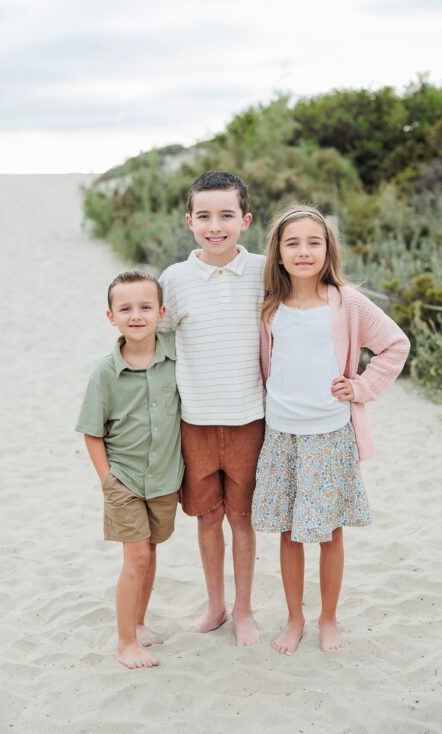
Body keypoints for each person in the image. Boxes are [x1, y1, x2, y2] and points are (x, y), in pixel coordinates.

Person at [253, 204, 409, 655]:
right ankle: (295, 618)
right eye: (292, 243)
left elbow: (395, 345)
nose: (303, 251)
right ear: (278, 253)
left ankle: (328, 618)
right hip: (281, 435)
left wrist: (360, 387)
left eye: (313, 242)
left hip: (329, 433)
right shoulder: (269, 306)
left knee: (330, 532)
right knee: (287, 531)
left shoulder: (347, 303)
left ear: (328, 250)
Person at [158, 171, 266, 645]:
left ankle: (244, 611)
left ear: (245, 219)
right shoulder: (175, 279)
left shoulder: (266, 272)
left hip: (250, 418)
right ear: (189, 221)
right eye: (204, 216)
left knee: (242, 517)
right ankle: (216, 606)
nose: (215, 226)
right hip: (196, 420)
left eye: (226, 215)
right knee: (207, 517)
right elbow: (159, 343)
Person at [76, 271, 183, 669]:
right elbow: (91, 433)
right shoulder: (105, 373)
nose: (136, 316)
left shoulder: (174, 357)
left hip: (164, 478)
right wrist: (108, 480)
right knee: (135, 557)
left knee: (151, 552)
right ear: (111, 317)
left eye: (144, 307)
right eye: (126, 309)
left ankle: (138, 623)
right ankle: (124, 643)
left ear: (161, 312)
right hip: (123, 479)